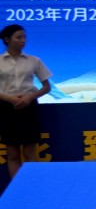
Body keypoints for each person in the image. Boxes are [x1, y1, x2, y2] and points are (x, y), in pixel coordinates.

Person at [0, 24, 54, 179]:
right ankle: (17, 187)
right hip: (6, 108)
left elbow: (47, 87)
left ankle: (32, 184)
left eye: (24, 37)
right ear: (7, 39)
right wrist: (9, 98)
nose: (23, 40)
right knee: (12, 152)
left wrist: (30, 97)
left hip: (29, 107)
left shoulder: (33, 60)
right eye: (18, 37)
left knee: (30, 151)